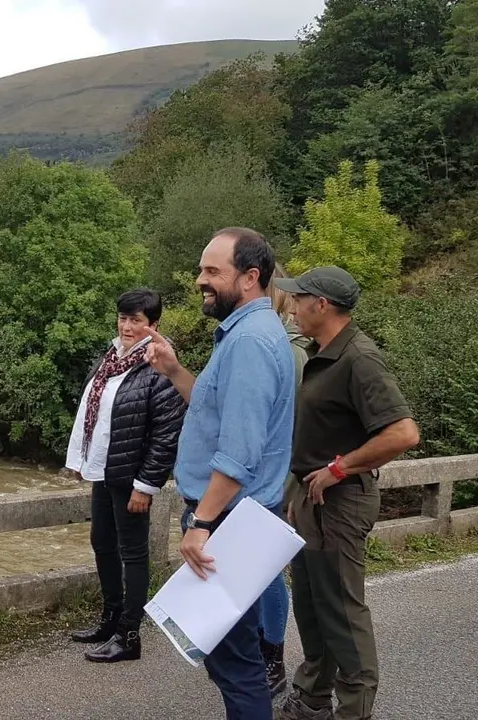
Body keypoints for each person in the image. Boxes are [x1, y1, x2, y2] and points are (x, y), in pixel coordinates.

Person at [145, 227, 297, 719]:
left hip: (228, 519)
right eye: (201, 269)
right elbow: (214, 412)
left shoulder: (250, 341)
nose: (200, 280)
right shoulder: (246, 332)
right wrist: (174, 370)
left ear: (250, 277)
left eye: (212, 271)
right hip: (232, 515)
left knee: (236, 662)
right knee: (227, 652)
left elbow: (240, 452)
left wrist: (202, 523)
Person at [273, 267, 420, 720]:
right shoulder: (321, 353)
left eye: (299, 299)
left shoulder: (359, 358)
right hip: (311, 499)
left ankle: (355, 710)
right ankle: (312, 697)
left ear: (322, 305)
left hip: (341, 502)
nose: (292, 307)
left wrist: (340, 468)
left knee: (341, 611)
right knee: (312, 606)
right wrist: (297, 492)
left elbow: (403, 433)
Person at [65, 288, 187, 663]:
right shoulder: (111, 357)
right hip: (104, 468)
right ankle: (111, 619)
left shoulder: (158, 367)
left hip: (132, 475)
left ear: (154, 325)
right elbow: (95, 410)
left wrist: (146, 485)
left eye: (136, 320)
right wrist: (80, 458)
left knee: (133, 553)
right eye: (123, 318)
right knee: (102, 541)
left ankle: (130, 635)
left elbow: (166, 434)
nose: (127, 326)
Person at [255, 267, 315, 698]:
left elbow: (289, 425)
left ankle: (272, 659)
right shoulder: (271, 342)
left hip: (278, 477)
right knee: (256, 567)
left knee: (267, 568)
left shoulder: (290, 352)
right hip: (265, 474)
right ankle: (260, 652)